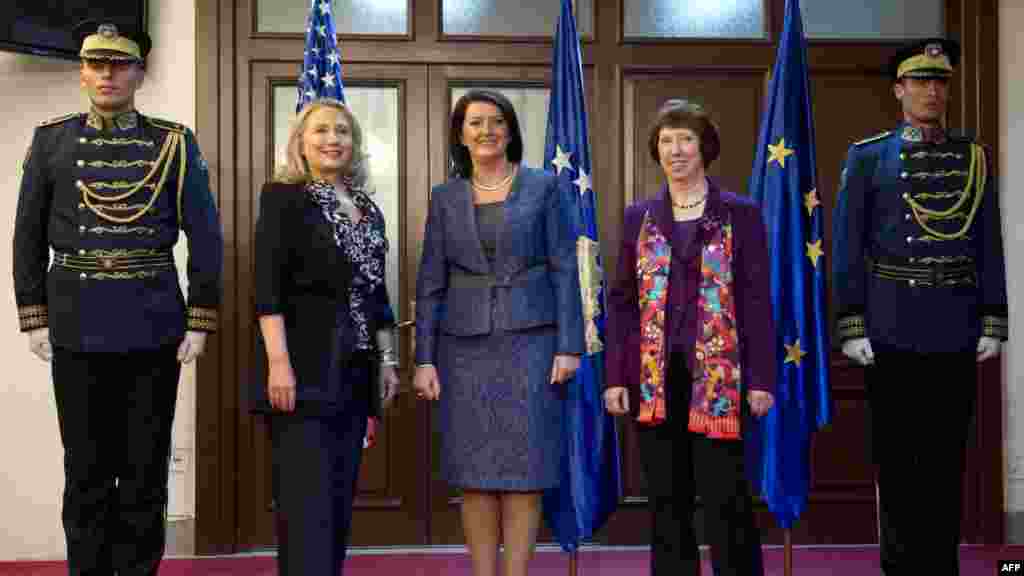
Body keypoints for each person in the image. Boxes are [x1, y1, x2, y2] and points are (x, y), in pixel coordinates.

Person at [11, 19, 222, 575]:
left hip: (152, 324)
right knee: (85, 468)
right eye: (96, 64)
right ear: (82, 72)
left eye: (119, 64)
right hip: (75, 323)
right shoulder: (51, 139)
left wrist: (199, 318)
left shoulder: (172, 143)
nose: (107, 74)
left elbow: (204, 233)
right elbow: (27, 233)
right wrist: (33, 316)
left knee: (145, 468)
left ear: (139, 73)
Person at [831, 38, 1007, 575]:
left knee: (947, 460)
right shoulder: (868, 158)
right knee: (898, 463)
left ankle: (939, 565)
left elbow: (987, 243)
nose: (932, 91)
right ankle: (901, 566)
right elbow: (847, 245)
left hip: (954, 325)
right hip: (890, 328)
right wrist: (851, 322)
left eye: (941, 82)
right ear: (899, 90)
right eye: (921, 81)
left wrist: (993, 318)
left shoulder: (971, 156)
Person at [412, 89, 583, 576]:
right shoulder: (444, 197)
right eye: (474, 123)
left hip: (533, 345)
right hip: (462, 350)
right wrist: (423, 357)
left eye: (495, 122)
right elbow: (430, 282)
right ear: (460, 135)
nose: (486, 131)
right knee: (475, 476)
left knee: (525, 473)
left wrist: (569, 345)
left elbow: (565, 269)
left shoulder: (543, 187)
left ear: (510, 130)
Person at [603, 99, 775, 576]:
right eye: (665, 141)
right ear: (656, 152)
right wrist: (616, 376)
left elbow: (757, 300)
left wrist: (762, 378)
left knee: (727, 497)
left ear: (704, 148)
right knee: (666, 498)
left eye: (685, 139)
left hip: (721, 378)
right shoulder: (640, 215)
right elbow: (621, 304)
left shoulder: (740, 213)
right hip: (655, 380)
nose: (675, 150)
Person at [251, 98, 399, 575]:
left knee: (337, 502)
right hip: (303, 369)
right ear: (301, 142)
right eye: (320, 131)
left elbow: (376, 293)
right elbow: (266, 288)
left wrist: (388, 360)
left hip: (356, 372)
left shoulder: (368, 210)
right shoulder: (282, 198)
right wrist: (278, 364)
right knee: (304, 504)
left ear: (354, 145)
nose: (332, 140)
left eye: (342, 132)